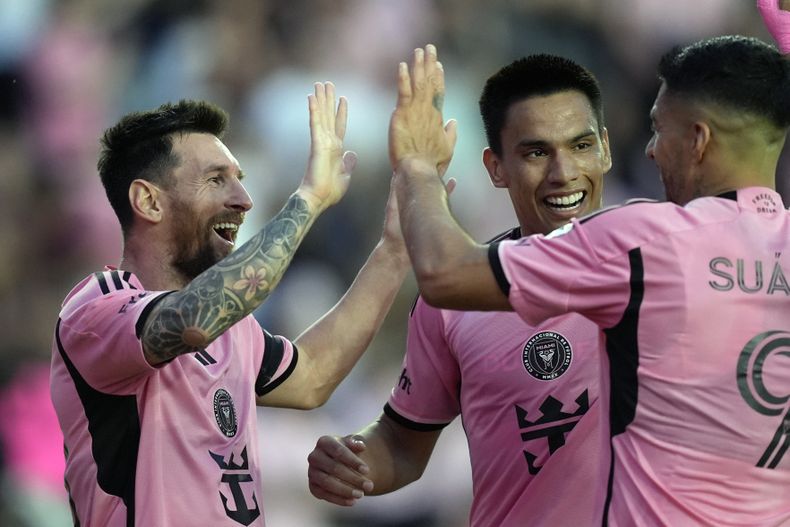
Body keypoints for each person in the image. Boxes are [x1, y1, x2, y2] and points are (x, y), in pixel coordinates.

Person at [386, 19, 790, 527]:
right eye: (537, 151)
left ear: (699, 140)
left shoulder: (643, 240)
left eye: (659, 130)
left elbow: (445, 275)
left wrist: (417, 166)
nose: (649, 150)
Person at [49, 83, 411, 526]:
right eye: (216, 179)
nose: (243, 199)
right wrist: (309, 199)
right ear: (148, 201)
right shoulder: (97, 310)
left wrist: (394, 252)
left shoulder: (233, 327)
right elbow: (194, 319)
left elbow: (312, 376)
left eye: (239, 179)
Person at [307, 55, 614, 526]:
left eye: (581, 145)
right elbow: (404, 443)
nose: (563, 172)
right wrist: (354, 462)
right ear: (496, 168)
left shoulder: (660, 259)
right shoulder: (453, 303)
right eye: (536, 152)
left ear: (606, 150)